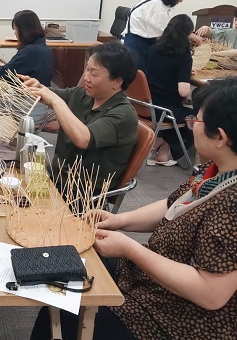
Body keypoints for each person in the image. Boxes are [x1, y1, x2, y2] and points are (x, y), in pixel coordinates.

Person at [31, 76, 237, 340]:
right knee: (69, 266)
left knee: (64, 310)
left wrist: (130, 248)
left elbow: (211, 294)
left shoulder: (231, 204)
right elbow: (173, 204)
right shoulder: (216, 169)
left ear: (220, 137)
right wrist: (119, 221)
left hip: (177, 317)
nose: (192, 125)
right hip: (150, 279)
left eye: (195, 120)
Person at [21, 41, 138, 201]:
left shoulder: (123, 114)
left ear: (117, 81)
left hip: (81, 196)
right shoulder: (83, 95)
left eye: (94, 74)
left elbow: (83, 138)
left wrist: (56, 102)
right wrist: (37, 87)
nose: (86, 78)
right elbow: (49, 94)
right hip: (56, 179)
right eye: (87, 70)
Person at [122, 0, 203, 72]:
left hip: (141, 45)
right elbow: (168, 36)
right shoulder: (158, 7)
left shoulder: (158, 2)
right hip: (137, 47)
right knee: (141, 79)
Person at [146, 14, 195, 167]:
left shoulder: (153, 49)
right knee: (197, 117)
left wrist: (183, 74)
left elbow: (162, 72)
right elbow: (183, 92)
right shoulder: (184, 55)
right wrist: (184, 76)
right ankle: (159, 143)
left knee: (177, 114)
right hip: (166, 110)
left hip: (147, 107)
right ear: (187, 34)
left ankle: (162, 153)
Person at [0, 9, 54, 86]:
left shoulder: (31, 51)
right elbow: (19, 69)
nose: (14, 32)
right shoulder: (41, 46)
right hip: (39, 90)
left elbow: (6, 73)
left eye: (16, 29)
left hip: (31, 92)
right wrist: (4, 66)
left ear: (24, 30)